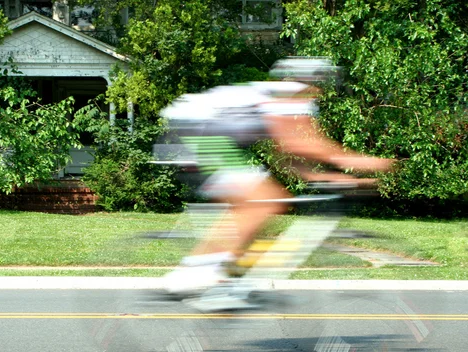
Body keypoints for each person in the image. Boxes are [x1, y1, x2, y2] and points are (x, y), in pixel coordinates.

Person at [159, 57, 393, 300]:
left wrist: (324, 177)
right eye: (320, 83)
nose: (321, 89)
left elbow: (288, 155)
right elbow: (303, 144)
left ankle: (216, 277)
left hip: (201, 131)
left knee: (253, 207)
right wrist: (365, 162)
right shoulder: (288, 95)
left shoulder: (282, 96)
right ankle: (199, 272)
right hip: (203, 133)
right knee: (266, 200)